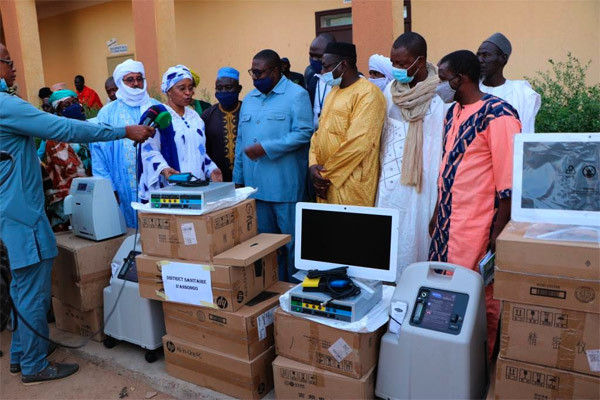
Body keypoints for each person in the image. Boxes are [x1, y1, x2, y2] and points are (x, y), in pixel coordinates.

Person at [0, 42, 153, 385]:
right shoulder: (4, 104)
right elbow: (64, 129)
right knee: (31, 288)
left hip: (10, 209)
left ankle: (21, 355)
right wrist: (123, 132)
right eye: (8, 62)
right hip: (21, 214)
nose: (12, 69)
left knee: (20, 286)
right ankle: (34, 364)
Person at [428, 50, 521, 359]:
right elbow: (449, 170)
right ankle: (445, 361)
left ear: (461, 79)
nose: (439, 86)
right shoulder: (453, 112)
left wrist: (499, 235)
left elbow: (508, 184)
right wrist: (436, 213)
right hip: (446, 225)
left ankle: (479, 368)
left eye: (443, 79)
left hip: (477, 228)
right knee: (443, 299)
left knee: (479, 300)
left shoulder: (498, 115)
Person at [233, 49, 313, 282]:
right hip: (256, 189)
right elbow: (241, 141)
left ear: (277, 71)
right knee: (264, 247)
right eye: (252, 73)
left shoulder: (296, 95)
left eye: (259, 73)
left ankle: (293, 293)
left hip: (284, 187)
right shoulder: (249, 99)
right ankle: (272, 291)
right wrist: (239, 178)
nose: (255, 78)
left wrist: (267, 148)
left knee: (292, 247)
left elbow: (304, 133)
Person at [375, 32, 446, 279]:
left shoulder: (440, 98)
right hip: (389, 182)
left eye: (403, 64)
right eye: (394, 62)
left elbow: (441, 149)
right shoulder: (391, 93)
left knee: (414, 240)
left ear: (420, 60)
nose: (396, 69)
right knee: (386, 241)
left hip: (422, 185)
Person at [308, 42, 385, 207]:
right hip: (325, 182)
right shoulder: (333, 92)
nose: (322, 72)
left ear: (343, 65)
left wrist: (326, 175)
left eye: (326, 67)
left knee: (351, 230)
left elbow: (358, 144)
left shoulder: (368, 94)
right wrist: (313, 164)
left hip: (350, 184)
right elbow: (319, 134)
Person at [92, 59, 160, 227]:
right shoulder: (107, 113)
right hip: (121, 186)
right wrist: (108, 188)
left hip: (157, 183)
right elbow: (98, 153)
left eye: (139, 78)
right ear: (120, 83)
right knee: (129, 233)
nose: (136, 83)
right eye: (130, 79)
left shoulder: (157, 107)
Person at [139, 65, 222, 200]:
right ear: (169, 90)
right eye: (182, 88)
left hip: (196, 187)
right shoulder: (159, 115)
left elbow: (199, 151)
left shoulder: (195, 118)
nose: (188, 92)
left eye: (190, 88)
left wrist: (211, 168)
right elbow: (148, 150)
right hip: (169, 190)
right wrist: (164, 169)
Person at [42, 90, 88, 231]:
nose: (73, 106)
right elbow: (74, 171)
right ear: (59, 111)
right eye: (67, 104)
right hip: (68, 200)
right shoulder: (55, 139)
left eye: (74, 102)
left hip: (90, 193)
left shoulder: (87, 127)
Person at [477, 33, 541, 133]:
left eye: (486, 55)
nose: (480, 60)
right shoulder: (472, 91)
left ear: (503, 58)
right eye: (478, 55)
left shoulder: (521, 92)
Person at [201, 67, 243, 182]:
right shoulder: (207, 115)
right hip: (218, 179)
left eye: (229, 87)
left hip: (247, 177)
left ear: (239, 89)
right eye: (219, 88)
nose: (223, 91)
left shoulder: (247, 112)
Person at [306, 34, 336, 129]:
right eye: (311, 55)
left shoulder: (348, 80)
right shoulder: (312, 77)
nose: (314, 59)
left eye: (319, 56)